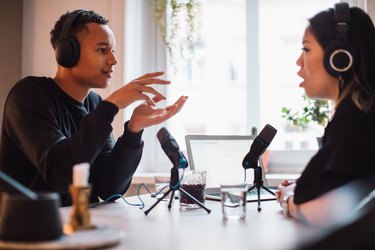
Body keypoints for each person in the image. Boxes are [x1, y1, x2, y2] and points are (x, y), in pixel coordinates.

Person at [0, 9, 187, 206]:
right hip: (31, 229)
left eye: (113, 50)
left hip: (79, 227)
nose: (113, 60)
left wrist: (134, 129)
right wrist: (111, 105)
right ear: (67, 53)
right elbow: (61, 174)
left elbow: (109, 188)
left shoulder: (95, 104)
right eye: (102, 50)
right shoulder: (29, 95)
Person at [276, 2, 375, 225]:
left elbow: (322, 213)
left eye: (306, 49)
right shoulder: (363, 111)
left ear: (340, 58)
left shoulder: (355, 121)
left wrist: (289, 200)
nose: (298, 62)